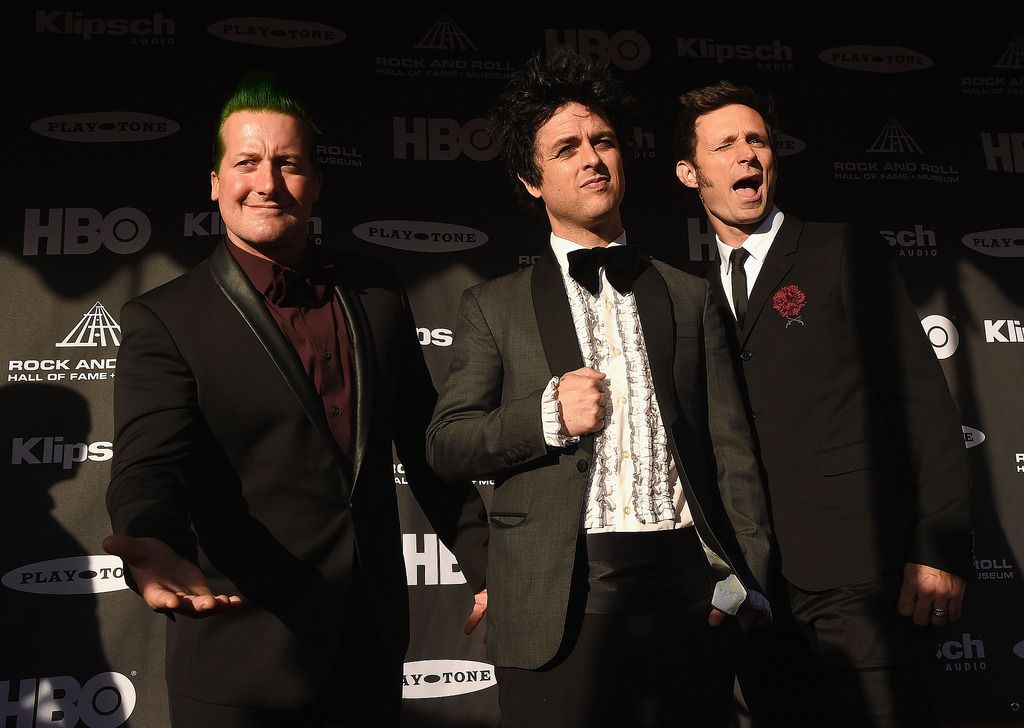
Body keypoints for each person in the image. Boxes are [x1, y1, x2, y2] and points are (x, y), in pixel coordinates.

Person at [103, 71, 487, 728]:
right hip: (239, 657)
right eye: (247, 163)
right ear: (216, 182)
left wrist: (482, 556)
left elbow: (424, 444)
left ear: (316, 182)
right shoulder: (166, 318)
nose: (268, 183)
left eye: (289, 164)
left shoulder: (377, 291)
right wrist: (152, 539)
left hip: (367, 646)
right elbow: (147, 467)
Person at [426, 49, 771, 728]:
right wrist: (545, 416)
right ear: (532, 179)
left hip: (686, 593)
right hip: (560, 600)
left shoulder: (688, 296)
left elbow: (733, 452)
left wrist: (741, 579)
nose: (591, 158)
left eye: (602, 141)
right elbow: (446, 444)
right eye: (566, 149)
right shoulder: (492, 306)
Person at [673, 80, 972, 727]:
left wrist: (939, 545)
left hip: (866, 578)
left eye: (757, 140)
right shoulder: (692, 297)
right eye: (725, 145)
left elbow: (922, 402)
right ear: (689, 171)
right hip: (762, 597)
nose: (747, 156)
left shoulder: (841, 251)